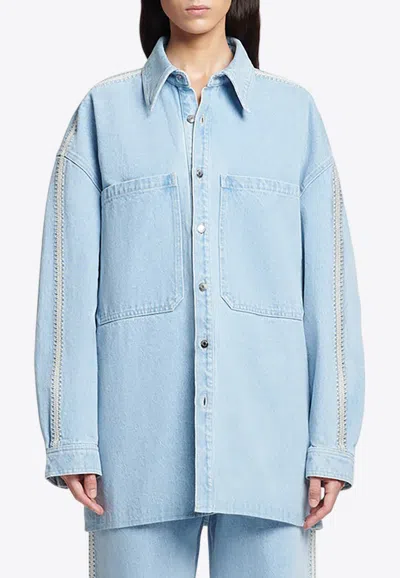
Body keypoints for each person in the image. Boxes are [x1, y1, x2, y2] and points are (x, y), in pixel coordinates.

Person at [34, 1, 365, 576]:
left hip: (272, 454)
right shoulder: (102, 115)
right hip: (136, 456)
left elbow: (331, 295)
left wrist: (332, 442)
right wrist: (71, 436)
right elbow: (67, 291)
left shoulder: (294, 116)